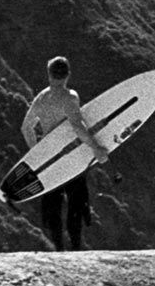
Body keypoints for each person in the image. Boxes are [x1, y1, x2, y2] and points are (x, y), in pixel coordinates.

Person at [20, 56, 109, 251]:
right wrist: (96, 148)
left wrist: (38, 152)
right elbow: (77, 126)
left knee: (53, 203)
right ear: (68, 75)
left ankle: (58, 247)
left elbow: (26, 127)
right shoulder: (70, 97)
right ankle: (76, 247)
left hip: (50, 158)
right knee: (76, 203)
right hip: (70, 157)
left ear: (49, 74)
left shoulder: (41, 98)